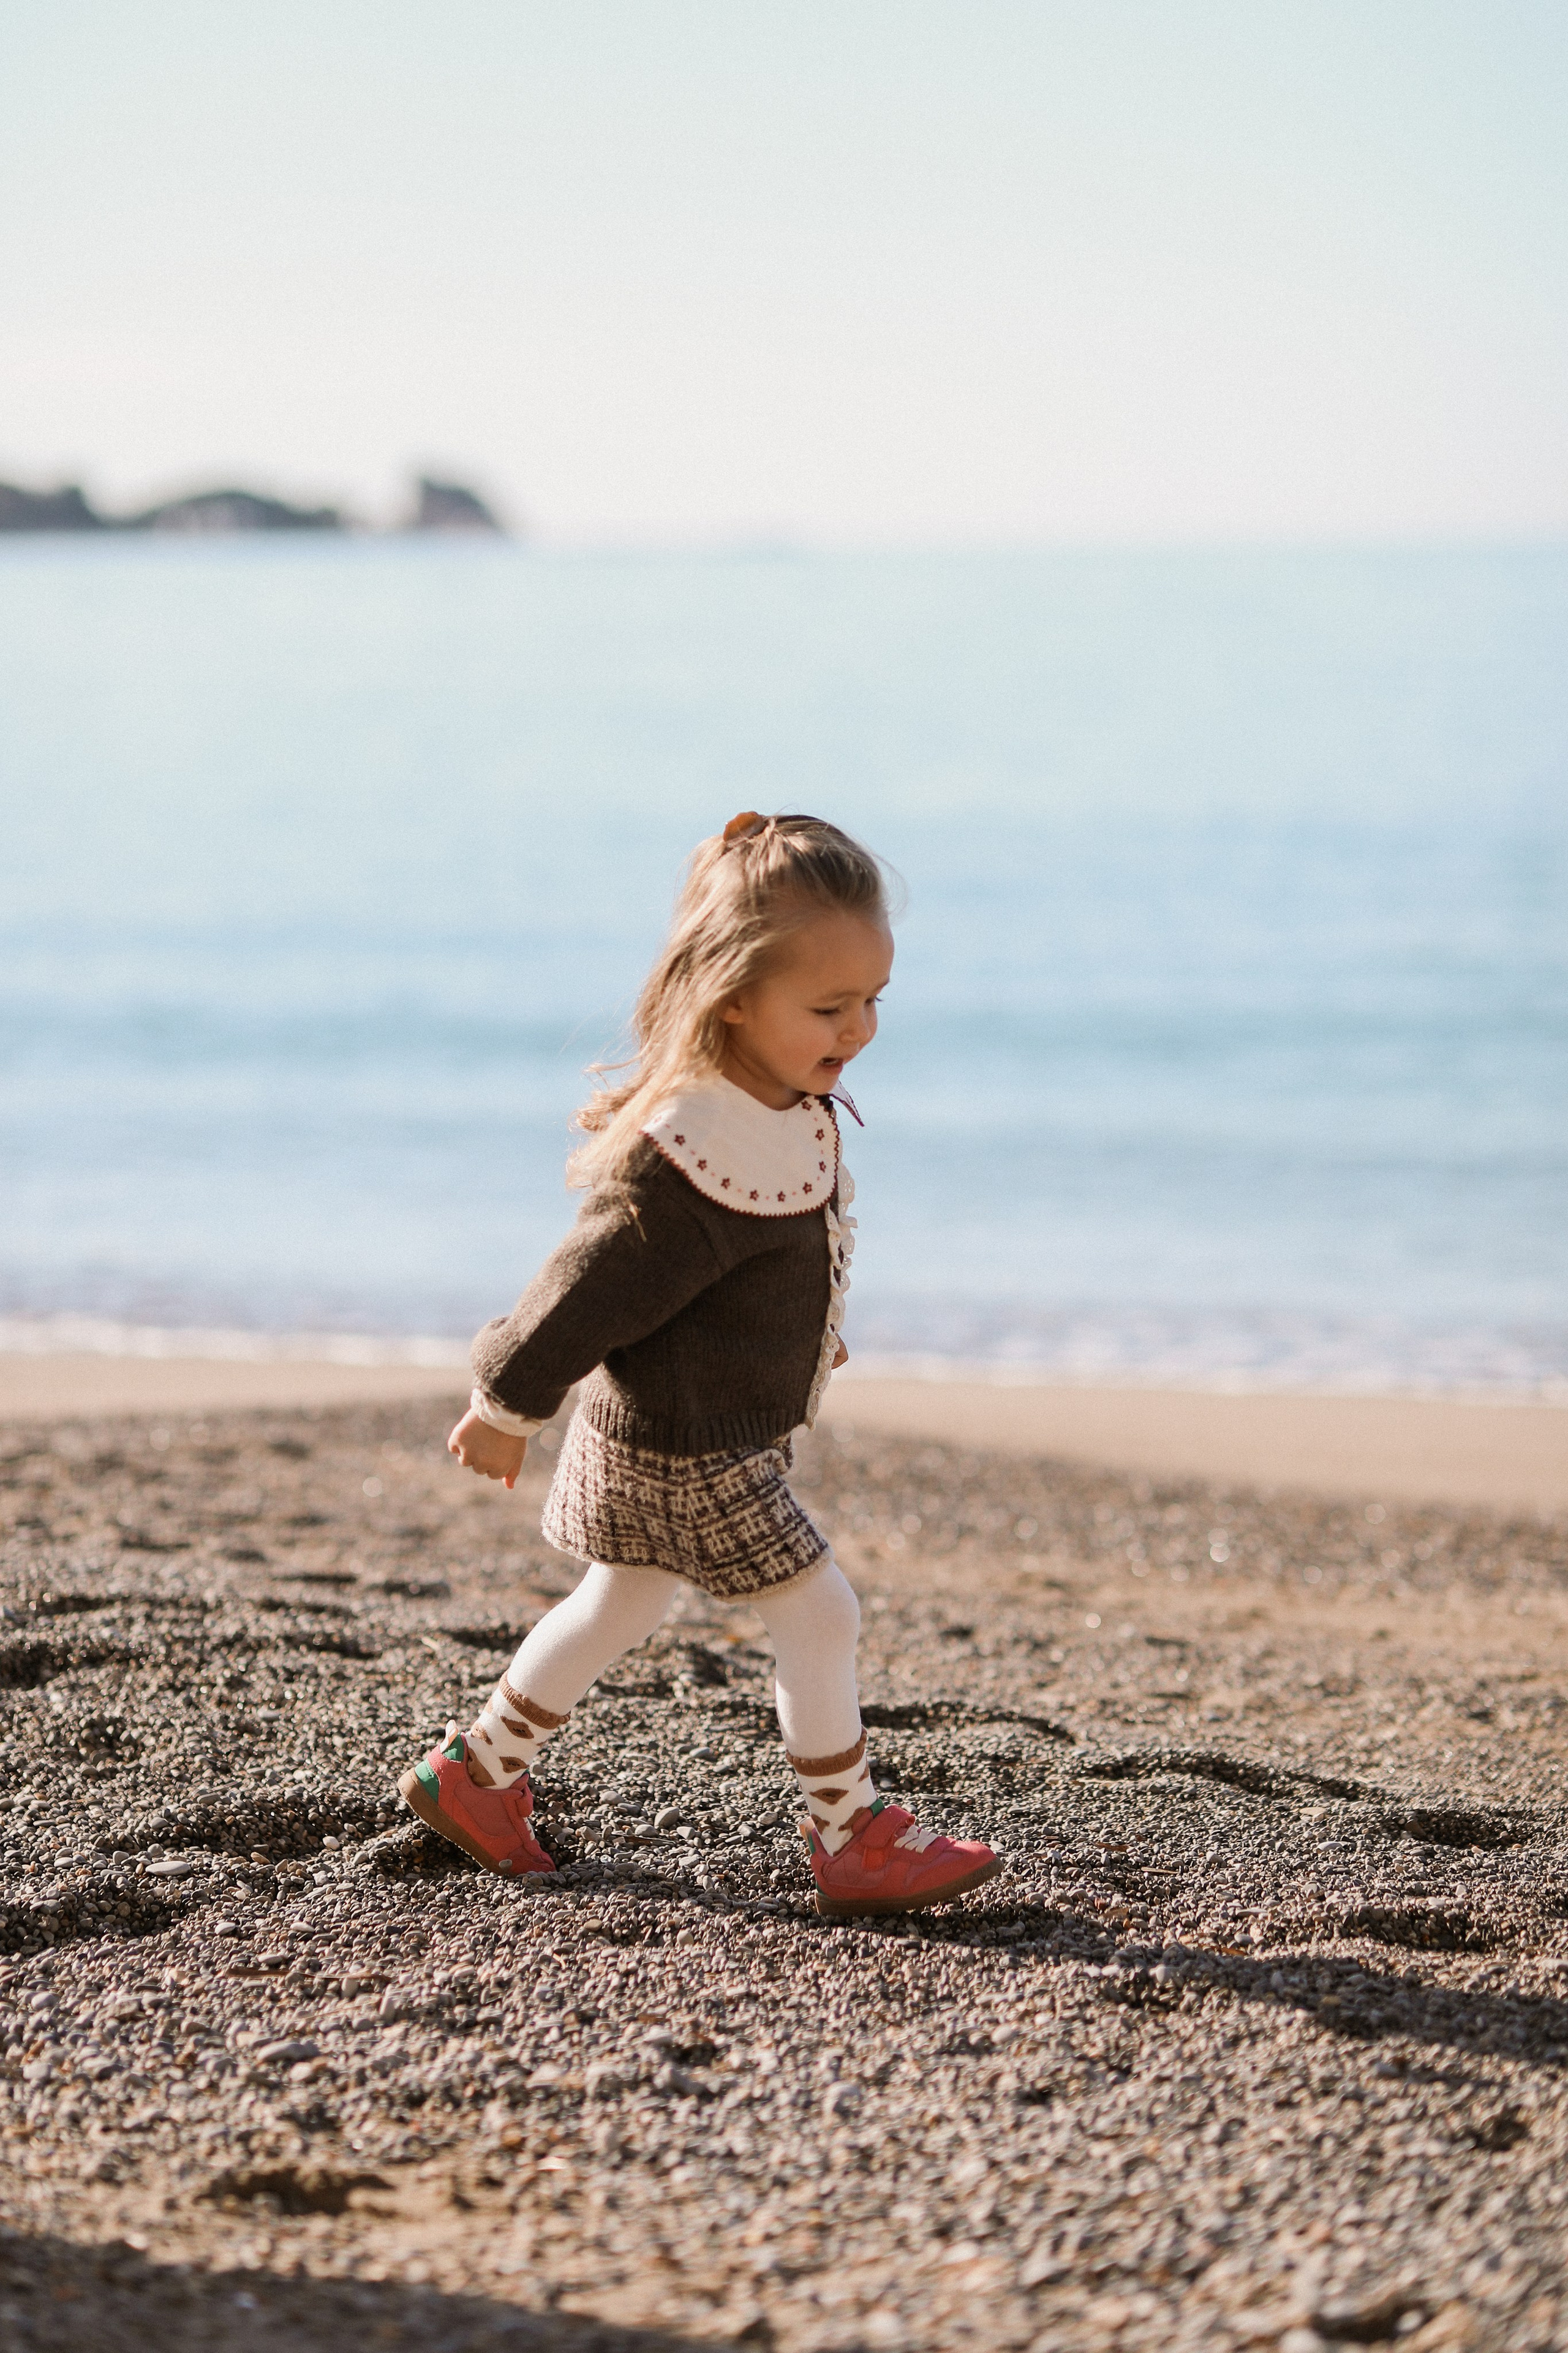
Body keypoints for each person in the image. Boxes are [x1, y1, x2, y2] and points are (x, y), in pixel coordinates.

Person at [398, 810, 1000, 1918]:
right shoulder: (688, 1152)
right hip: (692, 1456)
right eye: (829, 1007)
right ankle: (851, 1835)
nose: (860, 1028)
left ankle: (477, 1772)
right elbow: (580, 1292)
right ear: (732, 996)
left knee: (618, 1604)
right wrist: (505, 1404)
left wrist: (802, 1334)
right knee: (819, 1612)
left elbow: (755, 1272)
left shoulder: (775, 1103)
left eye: (874, 999)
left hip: (671, 1436)